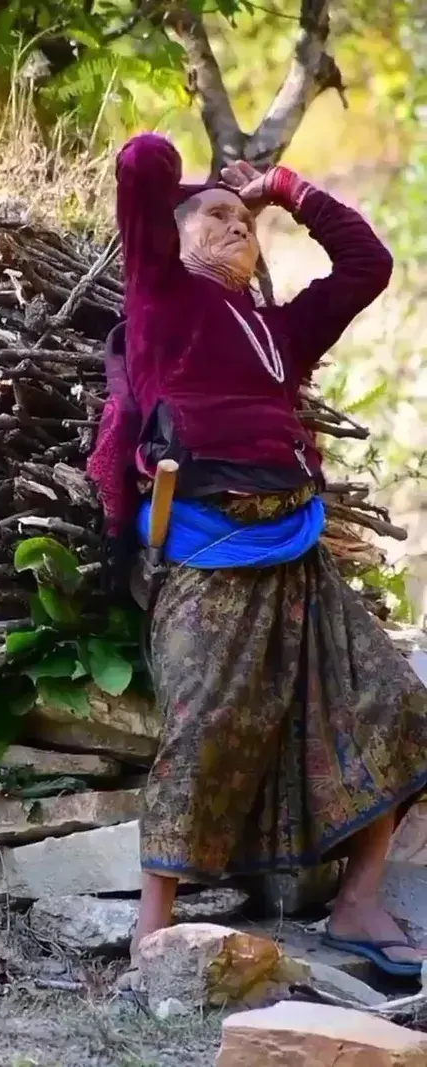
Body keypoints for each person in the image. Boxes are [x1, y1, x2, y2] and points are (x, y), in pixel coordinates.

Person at [87, 132, 427, 981]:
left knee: (391, 700)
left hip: (297, 550)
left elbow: (368, 263)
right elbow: (139, 165)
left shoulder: (280, 333)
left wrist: (284, 188)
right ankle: (154, 927)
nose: (239, 226)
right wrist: (195, 181)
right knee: (206, 723)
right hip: (208, 552)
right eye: (217, 216)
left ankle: (358, 901)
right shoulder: (162, 298)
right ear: (176, 238)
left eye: (248, 221)